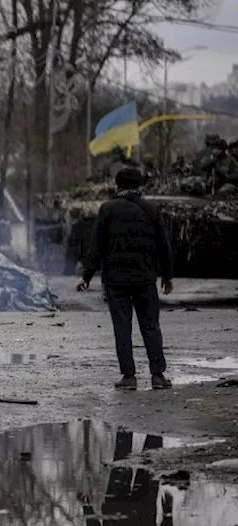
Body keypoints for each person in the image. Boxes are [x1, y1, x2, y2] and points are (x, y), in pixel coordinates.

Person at [77, 165, 174, 390]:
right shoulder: (151, 209)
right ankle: (158, 376)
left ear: (117, 185)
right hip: (145, 278)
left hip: (116, 280)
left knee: (122, 327)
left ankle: (129, 377)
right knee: (150, 326)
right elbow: (163, 246)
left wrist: (87, 276)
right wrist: (167, 276)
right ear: (139, 185)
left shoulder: (107, 209)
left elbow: (96, 246)